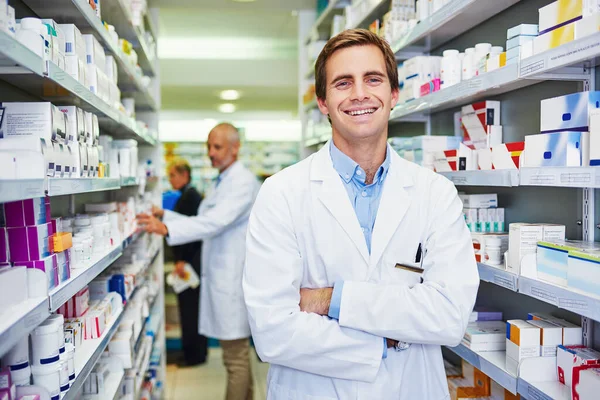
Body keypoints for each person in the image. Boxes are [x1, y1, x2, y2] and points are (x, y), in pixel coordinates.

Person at [243, 29, 479, 399]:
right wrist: (390, 341)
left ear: (393, 94)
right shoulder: (281, 193)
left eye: (373, 79)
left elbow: (450, 317)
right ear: (322, 101)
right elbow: (273, 332)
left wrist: (329, 299)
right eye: (342, 83)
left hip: (411, 387)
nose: (359, 94)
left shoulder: (435, 193)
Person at [138, 123, 260, 400]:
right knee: (237, 357)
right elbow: (203, 221)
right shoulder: (224, 180)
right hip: (221, 276)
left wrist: (167, 228)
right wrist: (166, 216)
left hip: (233, 280)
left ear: (235, 147)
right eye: (208, 146)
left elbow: (214, 223)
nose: (211, 153)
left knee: (235, 359)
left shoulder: (242, 182)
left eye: (217, 147)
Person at [163, 158, 208, 366]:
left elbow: (190, 231)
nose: (170, 179)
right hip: (190, 262)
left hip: (189, 264)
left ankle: (194, 356)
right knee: (190, 309)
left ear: (184, 175)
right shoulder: (188, 195)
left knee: (190, 310)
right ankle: (192, 353)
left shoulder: (190, 197)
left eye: (173, 174)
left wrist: (182, 260)